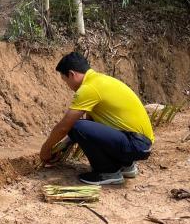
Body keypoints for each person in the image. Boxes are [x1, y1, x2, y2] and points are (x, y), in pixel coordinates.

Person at [40, 52, 154, 185]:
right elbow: (92, 128)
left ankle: (108, 172)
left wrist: (45, 149)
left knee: (76, 126)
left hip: (135, 144)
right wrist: (64, 145)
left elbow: (65, 126)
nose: (68, 86)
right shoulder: (101, 80)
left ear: (72, 74)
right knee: (81, 127)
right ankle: (126, 165)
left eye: (66, 81)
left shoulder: (89, 88)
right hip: (141, 144)